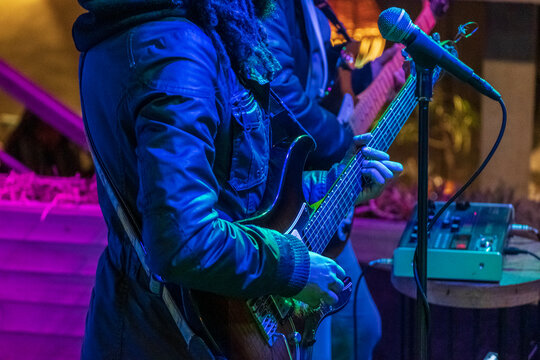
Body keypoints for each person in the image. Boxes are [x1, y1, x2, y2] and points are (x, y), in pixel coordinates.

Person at [72, 0, 403, 359]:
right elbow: (185, 240)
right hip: (171, 338)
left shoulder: (167, 34)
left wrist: (332, 184)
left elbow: (235, 195)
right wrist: (294, 267)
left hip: (159, 326)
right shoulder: (175, 52)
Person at [264, 1, 406, 359]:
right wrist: (343, 144)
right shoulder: (276, 7)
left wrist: (377, 69)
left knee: (362, 330)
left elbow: (325, 85)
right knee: (318, 343)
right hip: (290, 201)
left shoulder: (314, 9)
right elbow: (282, 93)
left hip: (317, 195)